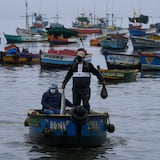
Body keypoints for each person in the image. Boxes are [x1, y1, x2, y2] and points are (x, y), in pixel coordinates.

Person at [62, 48, 105, 113]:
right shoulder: (73, 66)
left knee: (85, 103)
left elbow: (96, 72)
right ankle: (76, 116)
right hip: (75, 88)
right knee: (76, 104)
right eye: (77, 57)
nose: (78, 59)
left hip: (85, 89)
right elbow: (68, 75)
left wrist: (102, 80)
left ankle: (87, 115)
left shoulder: (88, 65)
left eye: (80, 57)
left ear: (83, 58)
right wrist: (64, 83)